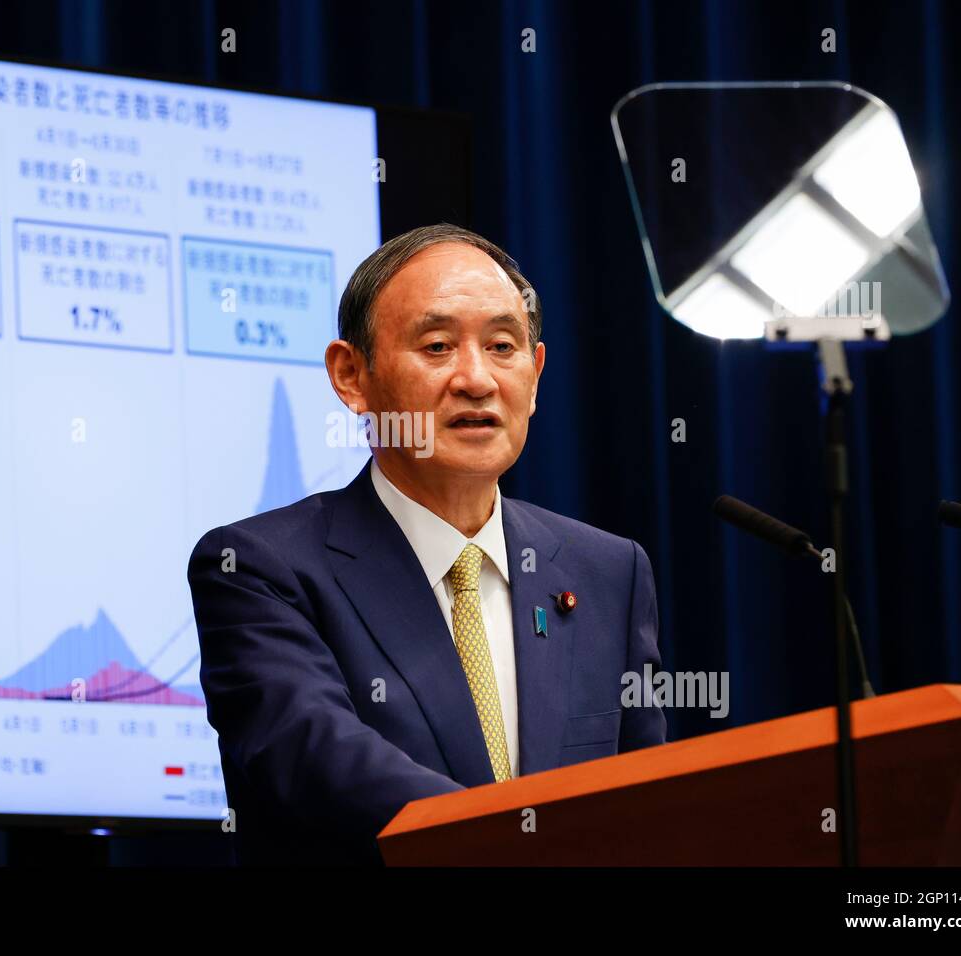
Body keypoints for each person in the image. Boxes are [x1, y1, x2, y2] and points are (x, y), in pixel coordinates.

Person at [187, 223, 665, 865]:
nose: (476, 379)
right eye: (438, 346)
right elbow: (319, 761)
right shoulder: (261, 570)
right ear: (351, 375)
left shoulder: (608, 572)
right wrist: (522, 844)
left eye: (502, 346)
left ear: (536, 371)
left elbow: (647, 804)